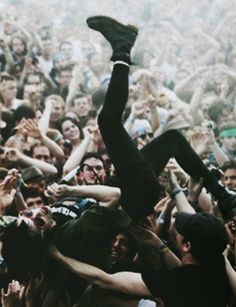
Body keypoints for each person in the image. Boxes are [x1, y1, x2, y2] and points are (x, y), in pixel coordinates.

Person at [48, 16, 231, 307]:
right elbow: (102, 276)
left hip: (131, 195)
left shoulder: (207, 279)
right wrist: (69, 196)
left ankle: (223, 196)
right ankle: (122, 47)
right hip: (132, 194)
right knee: (109, 120)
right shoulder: (64, 241)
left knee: (170, 139)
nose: (38, 216)